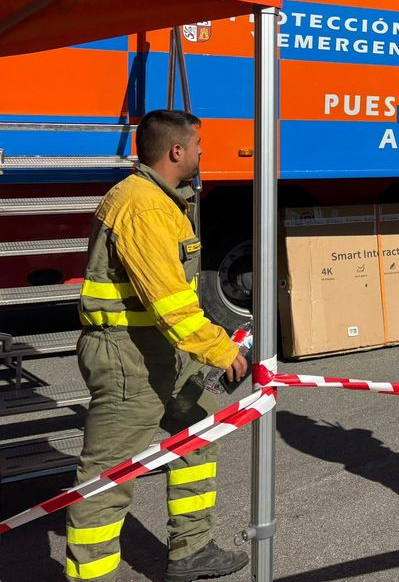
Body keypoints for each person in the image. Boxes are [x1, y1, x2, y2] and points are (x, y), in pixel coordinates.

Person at [65, 110, 249, 582]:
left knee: (197, 429)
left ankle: (191, 550)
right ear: (176, 152)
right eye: (199, 144)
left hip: (160, 350)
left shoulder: (163, 201)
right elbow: (169, 304)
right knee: (108, 477)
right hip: (128, 355)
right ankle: (90, 576)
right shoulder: (144, 207)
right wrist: (221, 348)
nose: (203, 152)